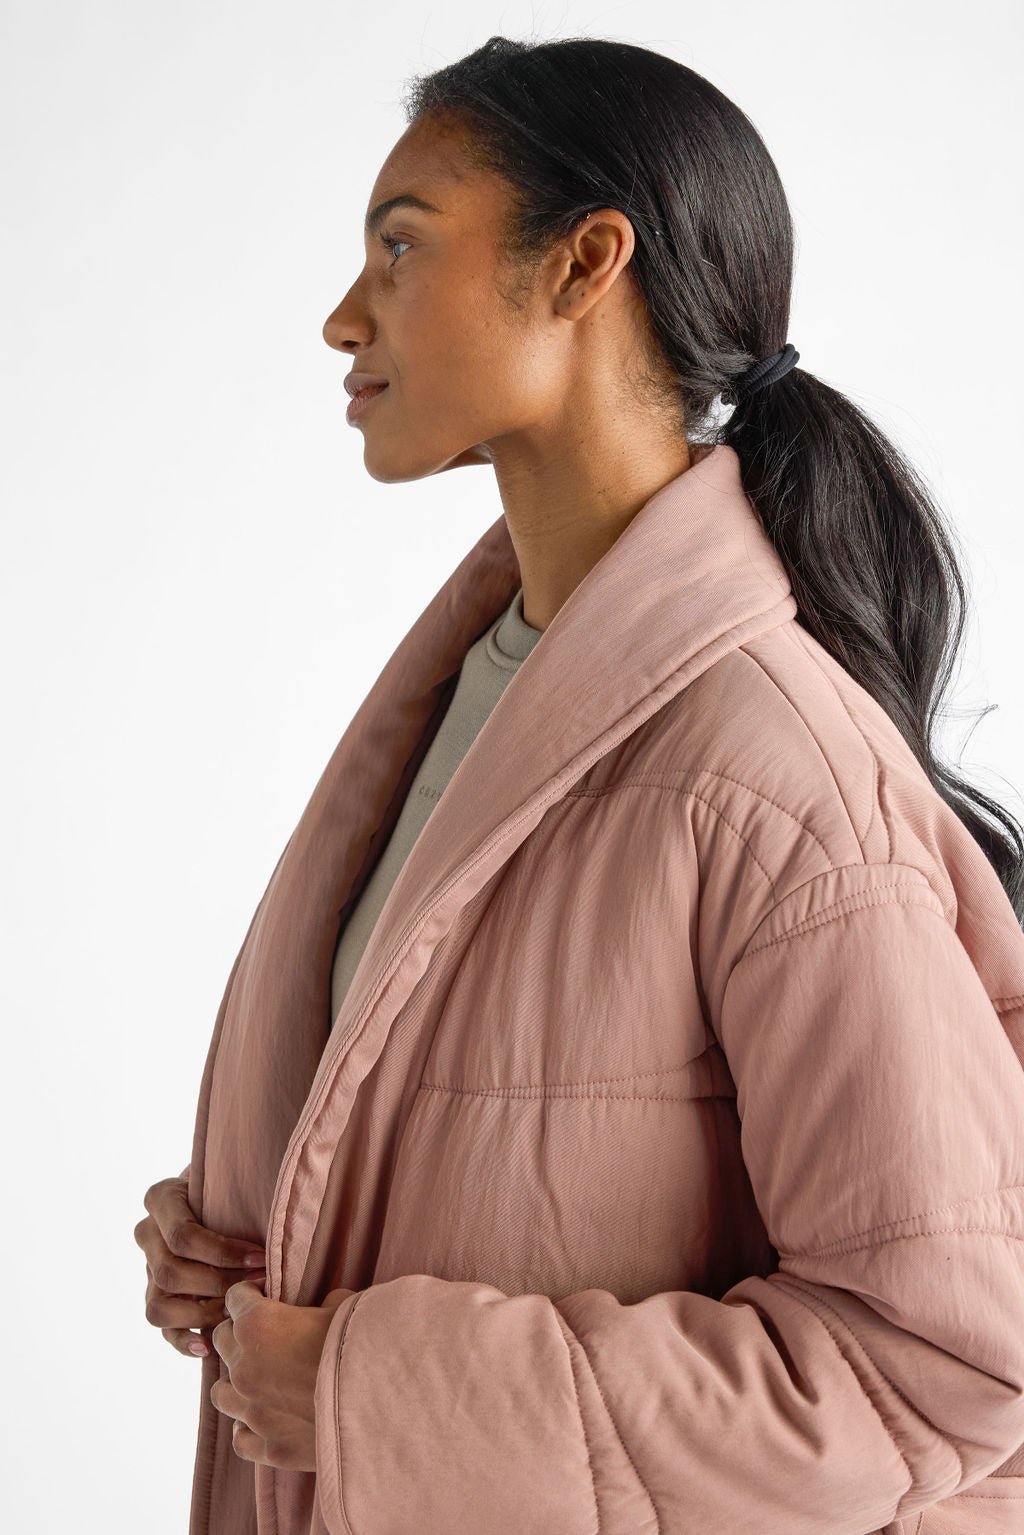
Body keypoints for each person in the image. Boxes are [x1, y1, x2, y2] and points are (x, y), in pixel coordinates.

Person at [135, 35, 1024, 1535]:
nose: (343, 315)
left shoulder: (768, 774)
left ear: (583, 264)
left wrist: (372, 1387)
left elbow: (939, 1364)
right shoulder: (478, 696)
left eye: (401, 244)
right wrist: (252, 1246)